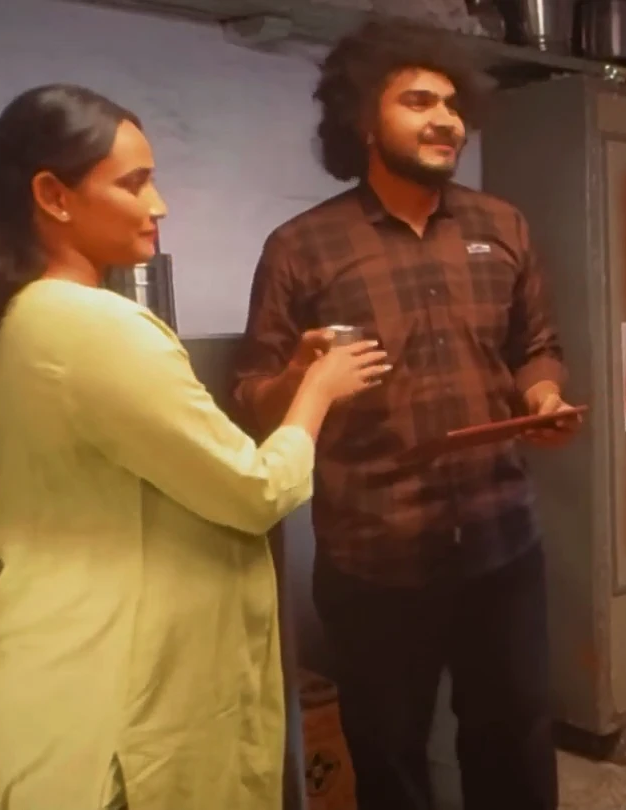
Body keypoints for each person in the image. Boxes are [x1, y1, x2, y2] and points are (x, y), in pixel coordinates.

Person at [0, 84, 381, 810]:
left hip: (57, 690)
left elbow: (174, 461)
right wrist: (320, 392)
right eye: (133, 183)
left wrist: (294, 377)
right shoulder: (94, 326)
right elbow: (255, 491)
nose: (158, 204)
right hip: (117, 717)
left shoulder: (25, 316)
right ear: (54, 196)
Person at [231, 23, 579, 810]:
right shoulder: (302, 248)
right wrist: (301, 376)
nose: (445, 119)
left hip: (501, 545)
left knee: (515, 745)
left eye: (452, 104)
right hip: (374, 558)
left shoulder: (503, 226)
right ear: (364, 119)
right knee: (390, 762)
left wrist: (542, 397)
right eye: (418, 101)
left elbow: (538, 347)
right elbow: (251, 396)